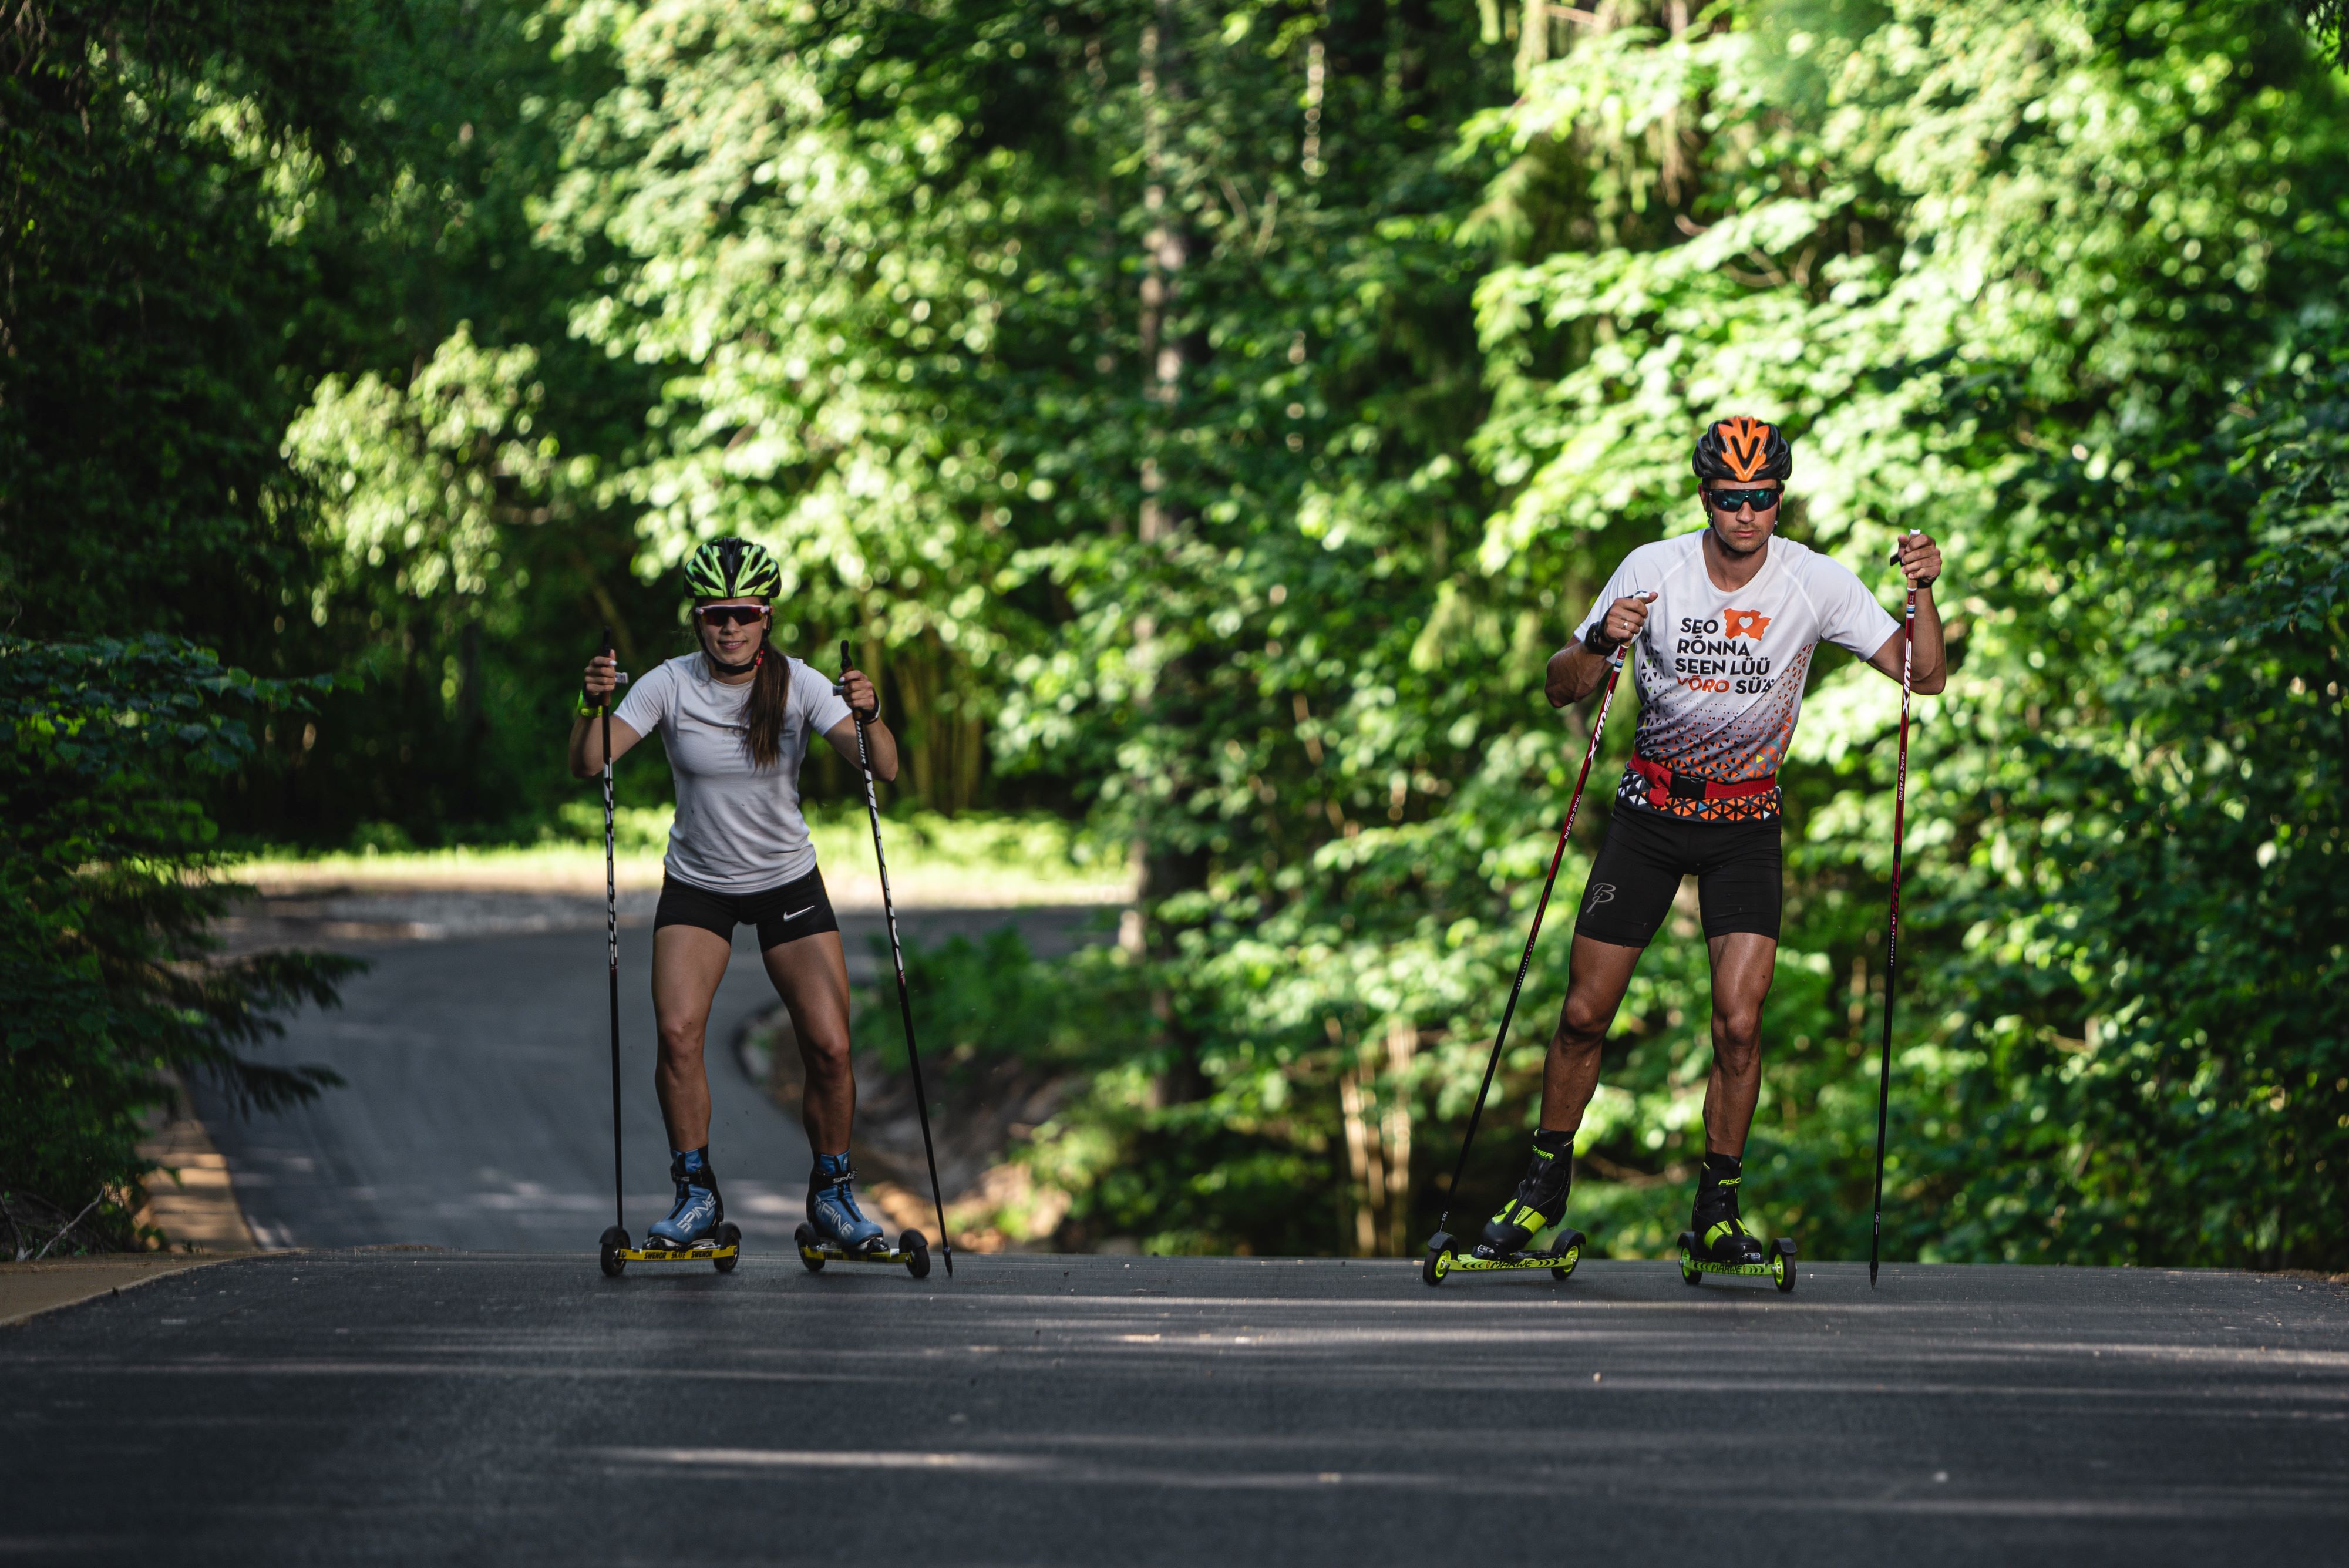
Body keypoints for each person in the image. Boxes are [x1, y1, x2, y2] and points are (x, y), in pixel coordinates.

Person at [1475, 416, 1945, 1266]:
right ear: (1706, 498)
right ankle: (1541, 1189)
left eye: (1762, 499)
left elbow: (1926, 673)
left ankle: (1718, 1212)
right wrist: (1597, 639)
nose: (1747, 515)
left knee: (1739, 1025)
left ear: (1779, 499)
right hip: (1649, 818)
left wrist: (1924, 590)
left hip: (1744, 826)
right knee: (1584, 1014)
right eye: (1730, 499)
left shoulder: (1815, 582)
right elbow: (1559, 687)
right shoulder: (1654, 570)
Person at [568, 537, 901, 1254]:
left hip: (788, 880)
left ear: (766, 616)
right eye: (715, 614)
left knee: (831, 1046)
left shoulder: (802, 683)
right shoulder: (668, 684)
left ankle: (834, 1197)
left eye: (743, 614)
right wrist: (590, 703)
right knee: (680, 1035)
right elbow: (589, 761)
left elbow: (886, 768)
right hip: (699, 886)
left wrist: (868, 714)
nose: (729, 628)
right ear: (698, 618)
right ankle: (694, 1197)